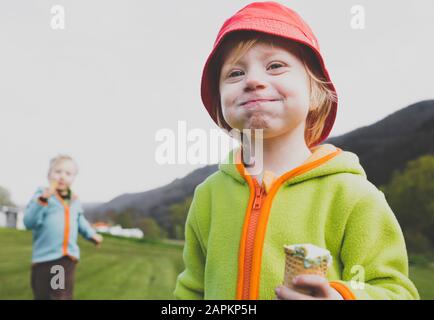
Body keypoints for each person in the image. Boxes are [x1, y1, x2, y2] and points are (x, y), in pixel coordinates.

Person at [174, 2, 419, 300]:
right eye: (235, 73)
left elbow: (397, 291)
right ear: (220, 104)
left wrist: (342, 296)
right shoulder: (208, 196)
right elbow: (191, 290)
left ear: (315, 93)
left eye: (275, 66)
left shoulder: (353, 195)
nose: (252, 80)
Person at [24, 154, 103, 300]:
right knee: (42, 296)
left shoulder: (75, 201)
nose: (62, 176)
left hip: (64, 258)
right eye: (58, 171)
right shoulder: (42, 196)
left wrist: (92, 235)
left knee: (59, 295)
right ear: (49, 175)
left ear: (73, 178)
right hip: (42, 258)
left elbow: (80, 221)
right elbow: (29, 222)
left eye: (68, 173)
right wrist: (42, 200)